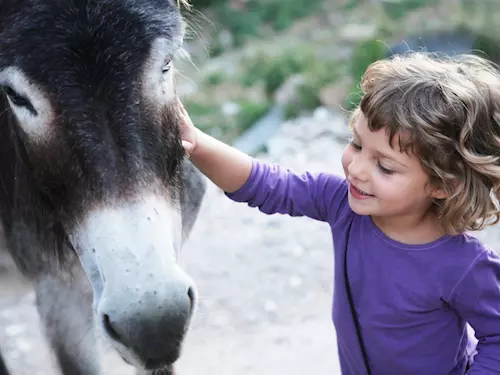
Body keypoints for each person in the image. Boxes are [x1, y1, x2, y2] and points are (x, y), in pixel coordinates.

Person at [176, 51, 500, 374]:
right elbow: (267, 184)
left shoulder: (464, 265)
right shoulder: (342, 204)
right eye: (357, 145)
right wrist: (198, 144)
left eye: (385, 167)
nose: (357, 170)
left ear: (443, 185)